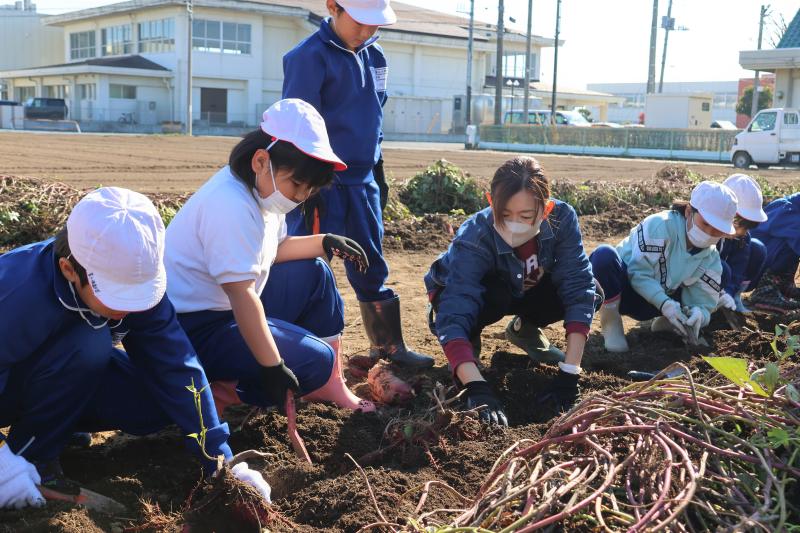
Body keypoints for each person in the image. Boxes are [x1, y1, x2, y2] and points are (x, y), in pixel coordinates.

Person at [0, 187, 270, 509]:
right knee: (89, 343)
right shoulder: (16, 293)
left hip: (51, 374)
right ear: (69, 270)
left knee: (154, 399)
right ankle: (32, 459)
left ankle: (54, 432)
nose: (129, 308)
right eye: (116, 296)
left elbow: (176, 365)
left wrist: (223, 463)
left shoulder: (133, 274)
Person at [164, 98, 375, 417]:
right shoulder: (229, 205)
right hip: (194, 328)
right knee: (313, 360)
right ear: (261, 160)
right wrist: (273, 364)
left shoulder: (261, 193)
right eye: (298, 184)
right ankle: (224, 390)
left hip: (223, 310)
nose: (301, 197)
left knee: (315, 271)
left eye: (310, 189)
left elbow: (272, 251)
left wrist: (325, 242)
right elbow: (241, 293)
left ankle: (330, 384)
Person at [281, 0, 433, 368]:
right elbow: (297, 123)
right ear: (334, 7)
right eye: (360, 22)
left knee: (370, 258)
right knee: (303, 258)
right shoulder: (308, 57)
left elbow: (376, 109)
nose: (367, 31)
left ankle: (387, 347)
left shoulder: (376, 56)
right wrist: (306, 182)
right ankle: (291, 348)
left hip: (364, 178)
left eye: (375, 24)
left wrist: (376, 165)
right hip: (321, 181)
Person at [425, 157, 600, 424]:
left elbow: (578, 287)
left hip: (527, 290)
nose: (514, 225)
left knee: (591, 290)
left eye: (526, 216)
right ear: (491, 201)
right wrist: (477, 387)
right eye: (505, 215)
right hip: (485, 297)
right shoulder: (475, 235)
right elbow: (455, 307)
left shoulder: (562, 219)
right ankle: (467, 348)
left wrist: (570, 372)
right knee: (490, 296)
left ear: (546, 209)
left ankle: (525, 330)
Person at [591, 181, 737, 352]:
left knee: (723, 272)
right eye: (705, 224)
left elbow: (704, 302)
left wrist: (699, 314)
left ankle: (673, 323)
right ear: (689, 211)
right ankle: (611, 322)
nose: (709, 234)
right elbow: (638, 273)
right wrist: (665, 304)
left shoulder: (710, 257)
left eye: (718, 230)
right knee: (603, 256)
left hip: (656, 304)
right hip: (625, 292)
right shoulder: (660, 225)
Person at [715, 174, 768, 314]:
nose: (743, 232)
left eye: (747, 228)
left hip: (725, 281)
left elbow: (739, 267)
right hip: (702, 279)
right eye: (740, 226)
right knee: (723, 267)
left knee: (758, 249)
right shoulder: (708, 229)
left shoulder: (743, 237)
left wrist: (730, 292)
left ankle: (735, 297)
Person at [748, 192, 800, 312]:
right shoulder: (787, 210)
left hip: (758, 264)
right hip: (749, 270)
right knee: (793, 240)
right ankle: (766, 291)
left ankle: (783, 285)